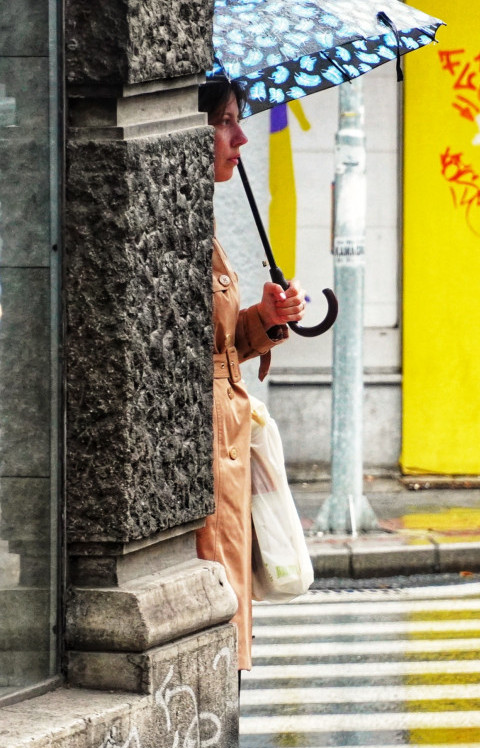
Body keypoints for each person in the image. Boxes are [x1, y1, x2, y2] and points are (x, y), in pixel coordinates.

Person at [197, 78, 307, 672]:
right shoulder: (176, 225)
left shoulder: (199, 221)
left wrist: (262, 320)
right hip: (209, 454)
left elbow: (212, 344)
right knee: (217, 617)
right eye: (226, 121)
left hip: (227, 448)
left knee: (231, 611)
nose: (240, 137)